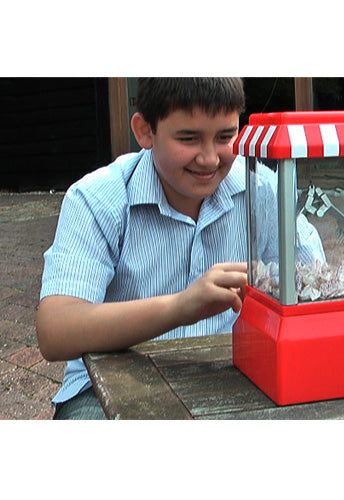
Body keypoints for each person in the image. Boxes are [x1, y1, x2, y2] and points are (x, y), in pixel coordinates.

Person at [36, 78, 324, 419]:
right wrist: (180, 307)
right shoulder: (98, 199)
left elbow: (317, 290)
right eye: (188, 138)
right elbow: (55, 330)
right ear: (145, 131)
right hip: (105, 386)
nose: (209, 158)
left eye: (225, 137)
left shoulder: (264, 190)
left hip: (233, 375)